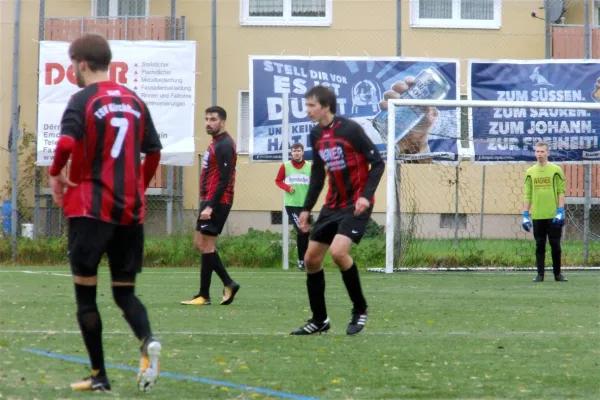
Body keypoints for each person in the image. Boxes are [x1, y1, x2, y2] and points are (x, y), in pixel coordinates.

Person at [48, 33, 163, 392]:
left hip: (90, 208)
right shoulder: (135, 101)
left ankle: (99, 375)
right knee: (124, 292)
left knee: (86, 295)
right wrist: (138, 187)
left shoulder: (82, 99)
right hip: (129, 211)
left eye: (72, 65)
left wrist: (55, 173)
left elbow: (66, 142)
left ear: (81, 63)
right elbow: (154, 151)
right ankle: (147, 340)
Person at [291, 85, 385, 336]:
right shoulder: (315, 134)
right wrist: (305, 209)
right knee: (311, 259)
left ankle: (360, 308)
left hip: (356, 203)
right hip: (332, 205)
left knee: (338, 252)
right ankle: (319, 319)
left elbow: (377, 162)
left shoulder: (350, 129)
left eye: (311, 105)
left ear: (326, 106)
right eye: (307, 105)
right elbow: (317, 176)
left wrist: (366, 196)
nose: (307, 110)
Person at [181, 106, 241, 306]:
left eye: (213, 119)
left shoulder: (224, 144)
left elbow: (224, 180)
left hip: (217, 201)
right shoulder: (216, 142)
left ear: (222, 122)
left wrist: (210, 207)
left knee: (207, 245)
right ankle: (227, 283)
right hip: (209, 199)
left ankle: (204, 295)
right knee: (200, 243)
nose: (208, 123)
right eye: (206, 119)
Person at [522, 141, 568, 282]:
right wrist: (525, 214)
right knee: (539, 245)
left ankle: (557, 274)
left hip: (553, 215)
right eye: (537, 151)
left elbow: (561, 191)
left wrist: (560, 210)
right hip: (537, 215)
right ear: (535, 153)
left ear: (548, 153)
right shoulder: (530, 172)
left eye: (542, 151)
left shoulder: (556, 170)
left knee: (555, 245)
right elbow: (528, 194)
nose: (539, 154)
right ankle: (540, 275)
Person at [275, 142, 312, 271]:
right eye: (294, 151)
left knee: (305, 233)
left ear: (303, 152)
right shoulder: (285, 166)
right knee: (303, 229)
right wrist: (287, 187)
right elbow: (278, 180)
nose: (296, 153)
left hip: (305, 205)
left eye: (298, 150)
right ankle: (302, 261)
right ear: (291, 153)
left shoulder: (309, 166)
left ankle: (304, 260)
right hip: (292, 205)